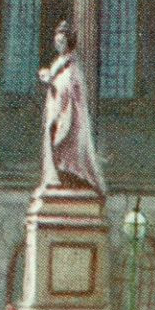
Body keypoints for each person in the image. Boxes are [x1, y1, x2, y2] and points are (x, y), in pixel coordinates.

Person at [37, 20, 105, 195]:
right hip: (55, 113)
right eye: (56, 42)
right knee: (54, 145)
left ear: (68, 43)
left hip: (69, 116)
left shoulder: (72, 66)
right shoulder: (58, 64)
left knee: (66, 146)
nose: (58, 45)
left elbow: (75, 94)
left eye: (62, 42)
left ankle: (71, 176)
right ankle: (56, 177)